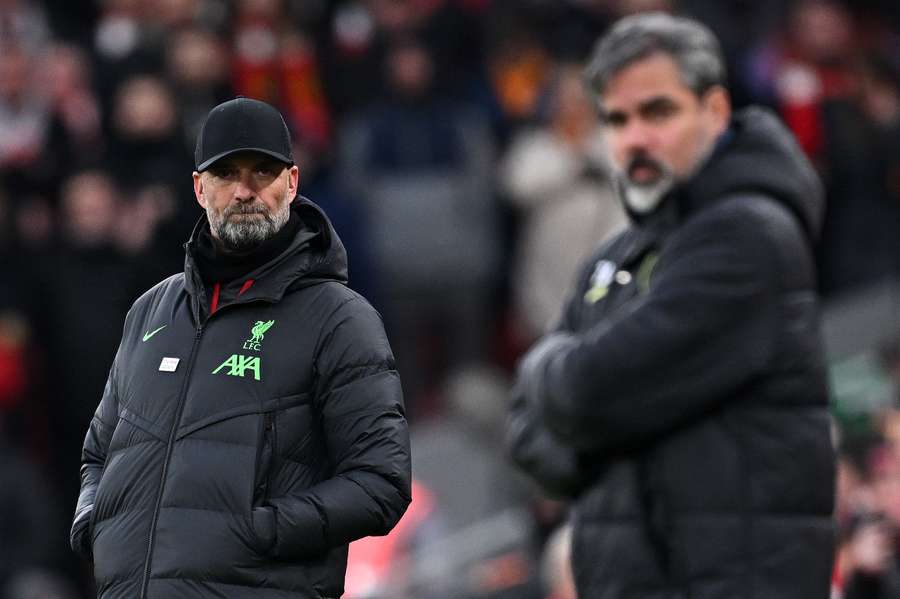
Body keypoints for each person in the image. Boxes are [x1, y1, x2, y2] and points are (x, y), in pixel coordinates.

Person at [506, 13, 835, 599]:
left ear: (715, 112)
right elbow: (528, 438)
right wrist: (591, 399)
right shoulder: (615, 255)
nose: (635, 138)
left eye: (658, 112)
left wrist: (554, 375)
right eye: (616, 119)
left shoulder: (748, 235)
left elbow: (589, 391)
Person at [69, 97, 412, 599]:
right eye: (226, 173)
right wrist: (96, 523)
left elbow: (381, 482)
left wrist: (261, 530)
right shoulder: (150, 311)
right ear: (198, 188)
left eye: (263, 172)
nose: (245, 190)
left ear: (292, 183)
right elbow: (98, 453)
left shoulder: (340, 318)